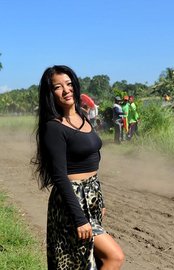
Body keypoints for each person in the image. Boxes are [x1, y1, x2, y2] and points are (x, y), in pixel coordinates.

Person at [32, 65, 124, 269]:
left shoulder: (82, 117)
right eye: (58, 87)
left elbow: (93, 157)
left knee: (87, 261)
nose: (66, 90)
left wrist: (100, 200)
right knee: (113, 256)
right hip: (71, 200)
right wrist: (79, 218)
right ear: (50, 93)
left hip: (91, 194)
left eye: (69, 83)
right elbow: (59, 176)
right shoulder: (53, 127)